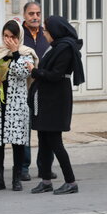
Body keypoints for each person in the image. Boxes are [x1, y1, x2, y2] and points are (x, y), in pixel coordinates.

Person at [0, 20, 38, 192]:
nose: (8, 40)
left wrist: (15, 52)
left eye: (13, 37)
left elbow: (23, 72)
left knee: (18, 142)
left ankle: (16, 178)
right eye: (6, 36)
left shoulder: (26, 54)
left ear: (19, 37)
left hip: (17, 106)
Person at [27, 15, 84, 195]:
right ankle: (46, 181)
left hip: (56, 100)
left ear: (55, 31)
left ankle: (71, 181)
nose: (44, 33)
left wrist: (34, 71)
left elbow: (55, 75)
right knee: (43, 140)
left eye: (46, 29)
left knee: (55, 141)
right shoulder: (56, 47)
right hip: (47, 98)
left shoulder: (65, 48)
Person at [20, 1, 57, 181]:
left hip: (45, 91)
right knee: (24, 132)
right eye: (31, 13)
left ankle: (45, 168)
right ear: (24, 16)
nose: (35, 17)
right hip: (25, 90)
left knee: (47, 132)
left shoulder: (47, 35)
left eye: (38, 13)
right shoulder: (18, 35)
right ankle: (23, 167)